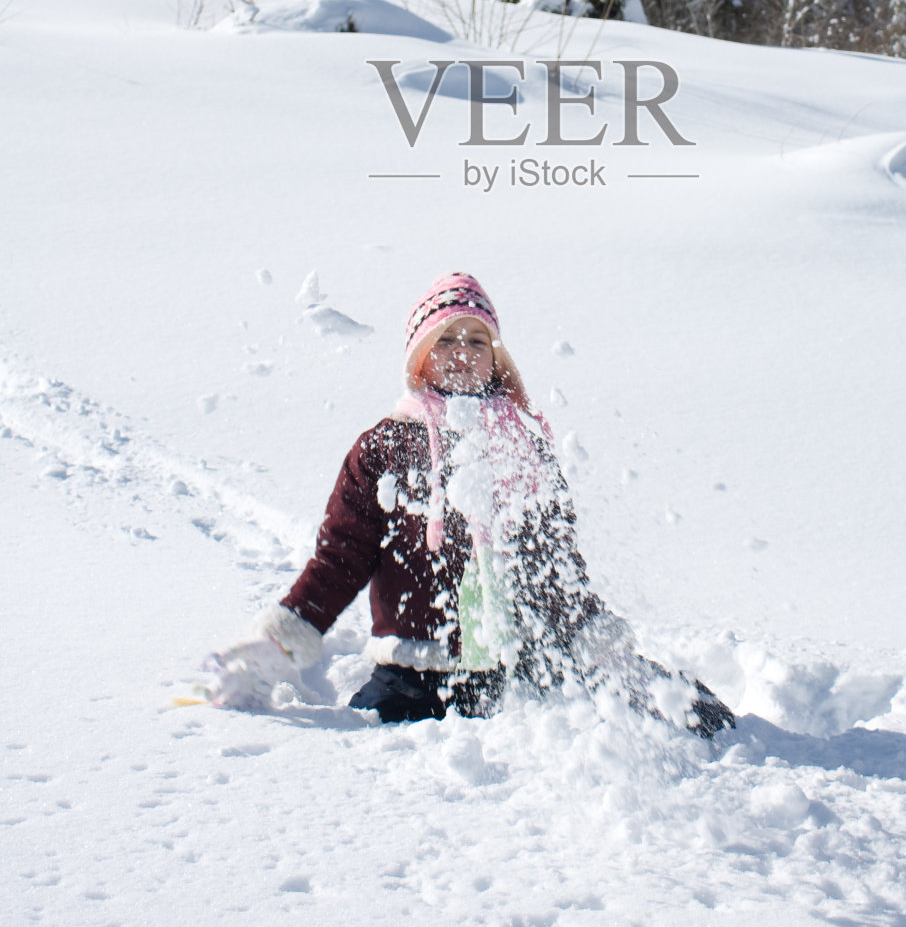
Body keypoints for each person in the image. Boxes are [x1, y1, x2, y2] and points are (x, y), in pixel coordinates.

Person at [206, 272, 734, 736]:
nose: (462, 352)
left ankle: (704, 715)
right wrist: (280, 644)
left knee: (641, 709)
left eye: (477, 340)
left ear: (495, 356)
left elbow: (554, 565)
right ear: (419, 355)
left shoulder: (525, 445)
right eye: (446, 339)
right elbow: (339, 562)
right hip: (412, 678)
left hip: (516, 669)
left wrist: (598, 642)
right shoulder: (383, 448)